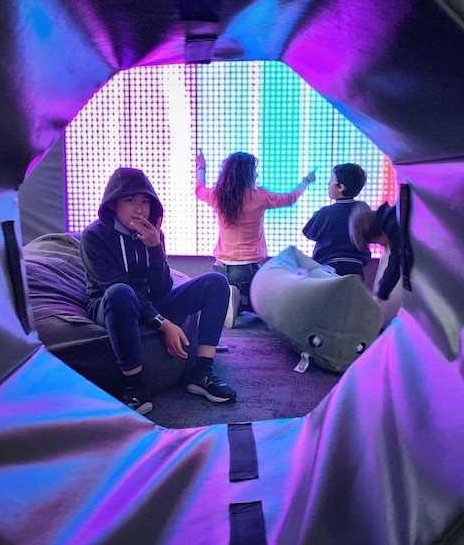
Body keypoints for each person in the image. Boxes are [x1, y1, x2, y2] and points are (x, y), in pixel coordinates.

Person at [80, 167, 236, 415]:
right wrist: (163, 324)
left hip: (151, 302)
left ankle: (202, 372)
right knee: (121, 292)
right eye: (130, 200)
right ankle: (135, 387)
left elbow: (163, 287)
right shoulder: (94, 237)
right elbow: (114, 286)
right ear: (112, 204)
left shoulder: (154, 234)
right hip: (111, 304)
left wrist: (155, 248)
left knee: (216, 282)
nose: (139, 209)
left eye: (144, 202)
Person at [195, 150, 316, 322]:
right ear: (248, 174)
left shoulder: (217, 195)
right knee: (262, 309)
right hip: (248, 270)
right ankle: (240, 301)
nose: (257, 174)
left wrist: (202, 167)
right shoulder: (260, 196)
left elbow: (199, 189)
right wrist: (306, 181)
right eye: (254, 170)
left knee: (230, 302)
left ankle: (231, 301)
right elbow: (290, 198)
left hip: (220, 268)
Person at [302, 163, 372, 279]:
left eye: (331, 180)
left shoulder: (326, 213)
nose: (328, 184)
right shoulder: (363, 209)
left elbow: (309, 232)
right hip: (357, 269)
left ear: (341, 187)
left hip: (329, 269)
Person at [350, 201, 401, 303]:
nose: (383, 246)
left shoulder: (394, 228)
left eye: (376, 242)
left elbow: (396, 262)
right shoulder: (393, 216)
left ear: (379, 233)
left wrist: (380, 296)